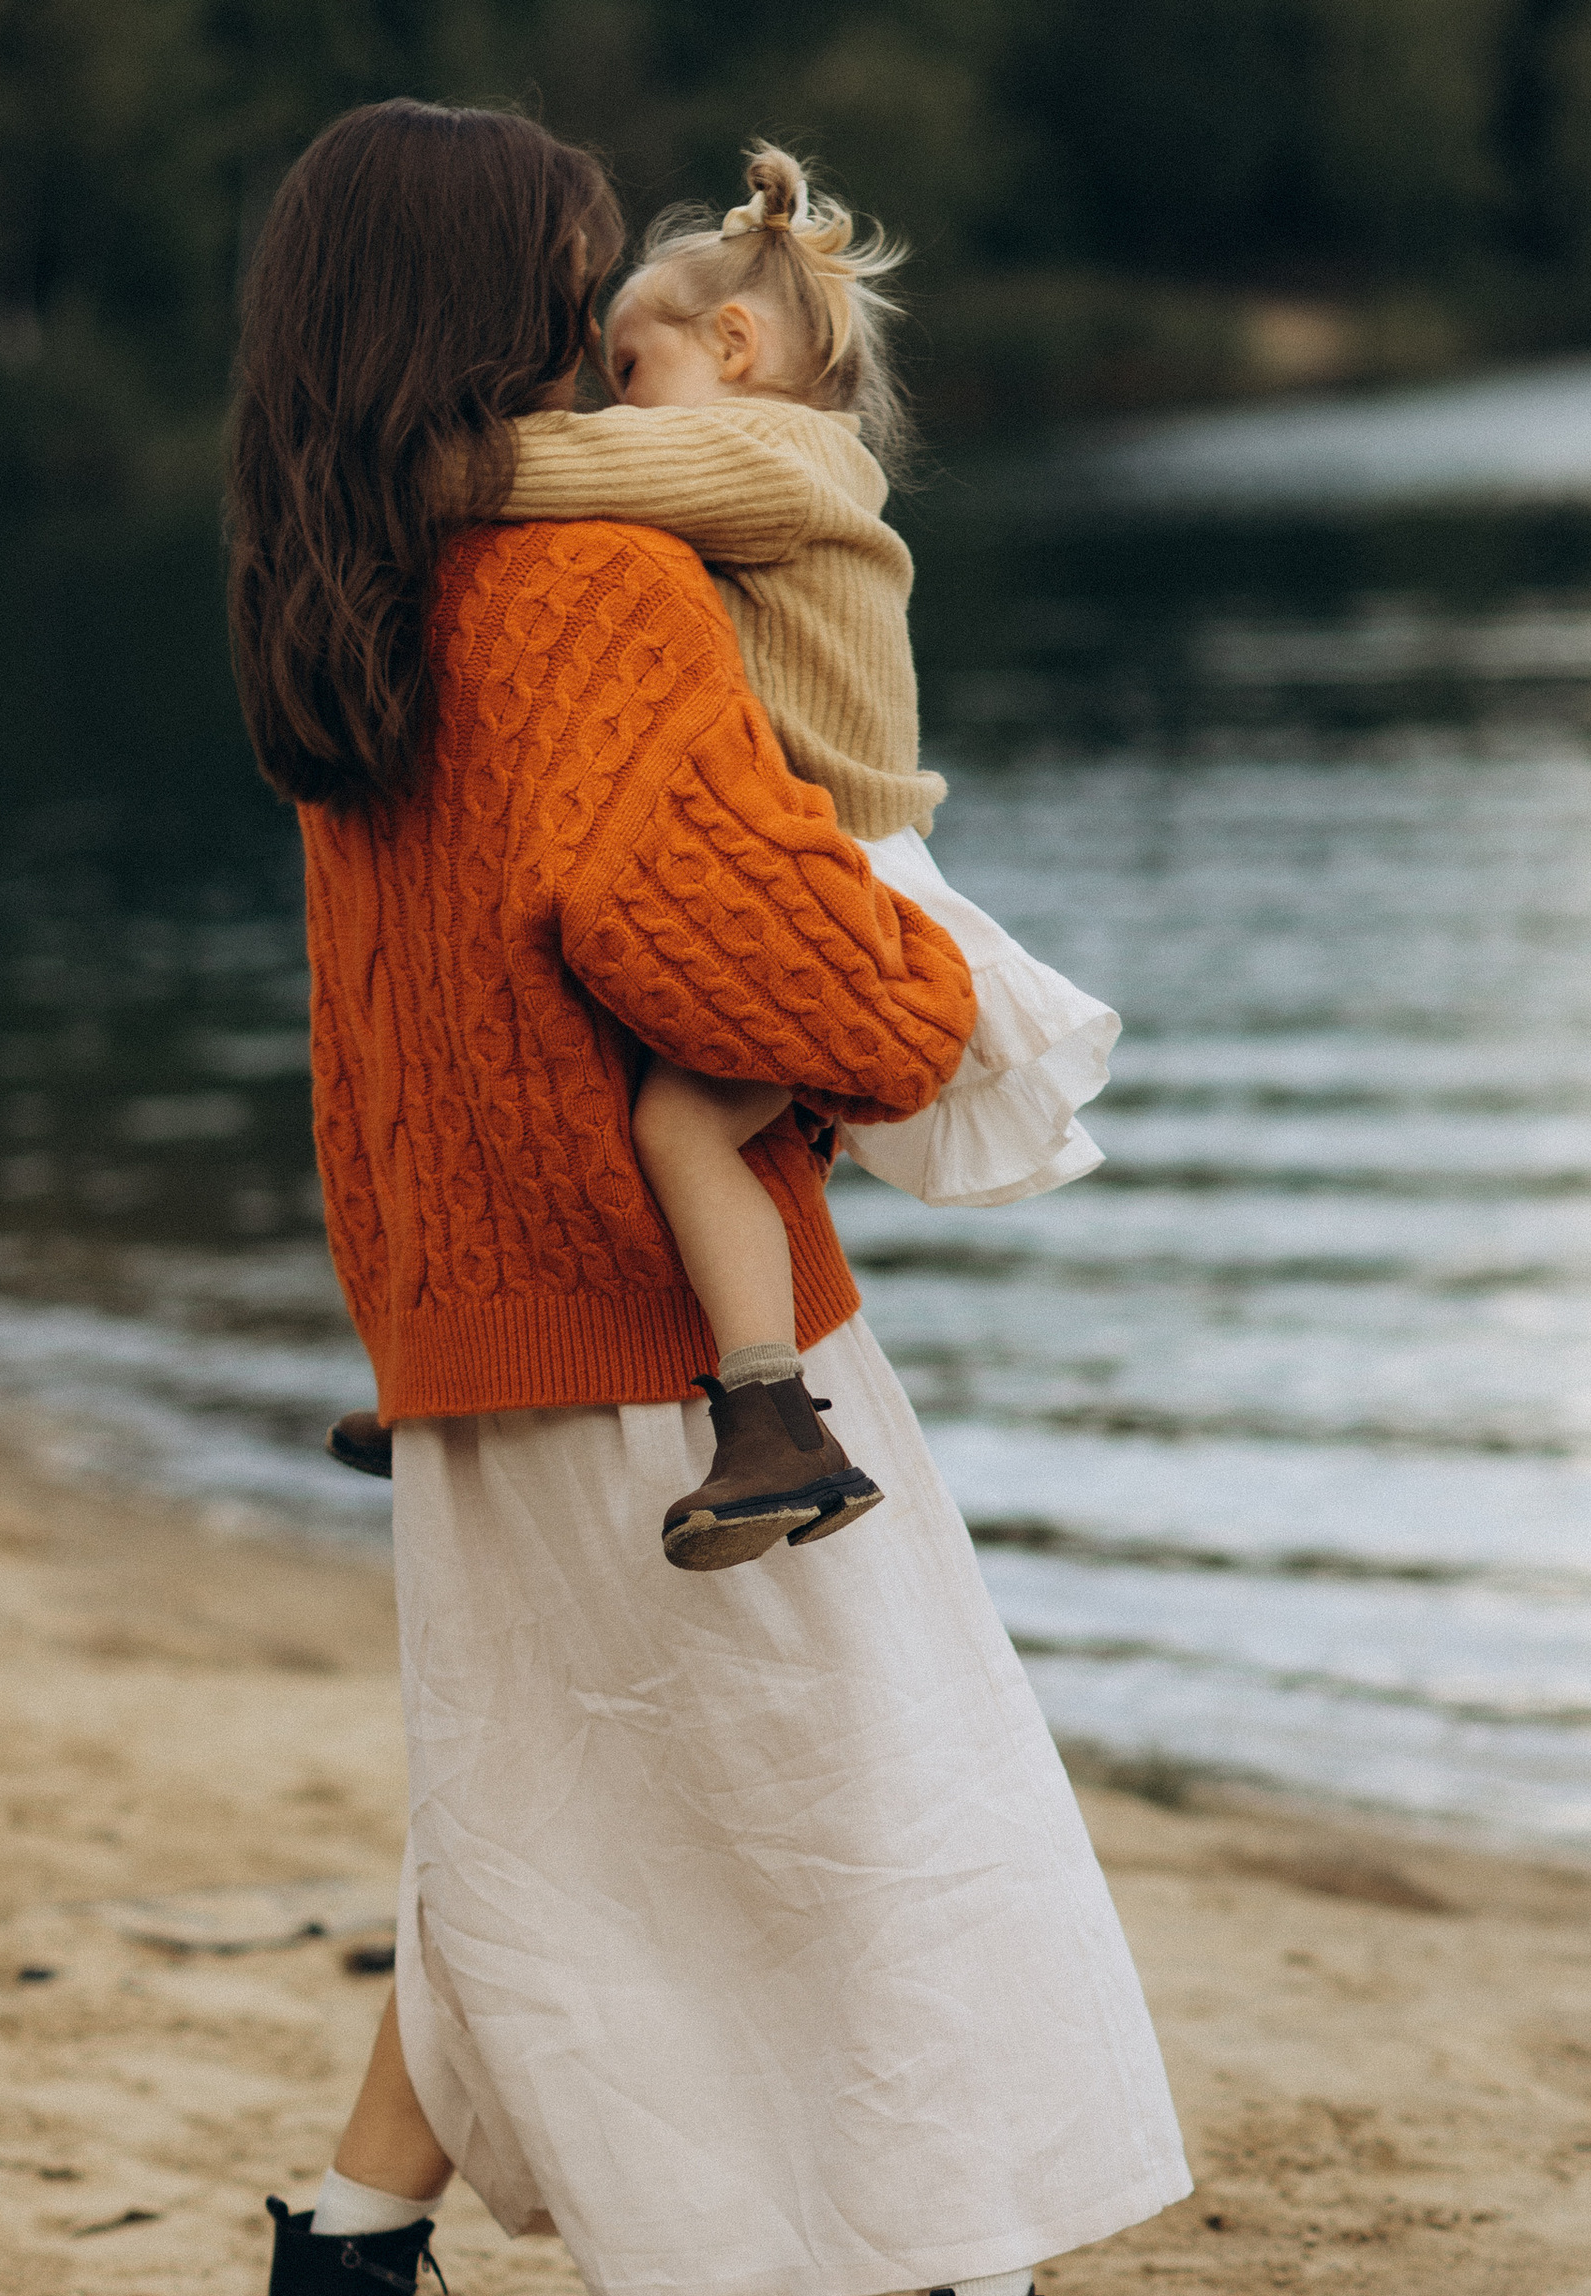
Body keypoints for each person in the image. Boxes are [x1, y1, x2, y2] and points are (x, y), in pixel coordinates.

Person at [219, 99, 1215, 2296]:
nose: (593, 347)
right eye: (567, 296)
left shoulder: (347, 612)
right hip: (687, 1359)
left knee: (528, 1825)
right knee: (892, 1819)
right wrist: (910, 989)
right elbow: (746, 961)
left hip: (464, 1337)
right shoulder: (598, 594)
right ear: (489, 319)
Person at [327, 139, 1117, 1570]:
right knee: (606, 1093)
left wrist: (408, 468)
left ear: (735, 348)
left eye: (631, 368)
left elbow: (570, 468)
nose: (609, 400)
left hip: (835, 873)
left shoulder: (782, 461)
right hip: (778, 857)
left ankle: (774, 1423)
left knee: (683, 1131)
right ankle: (463, 1363)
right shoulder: (757, 468)